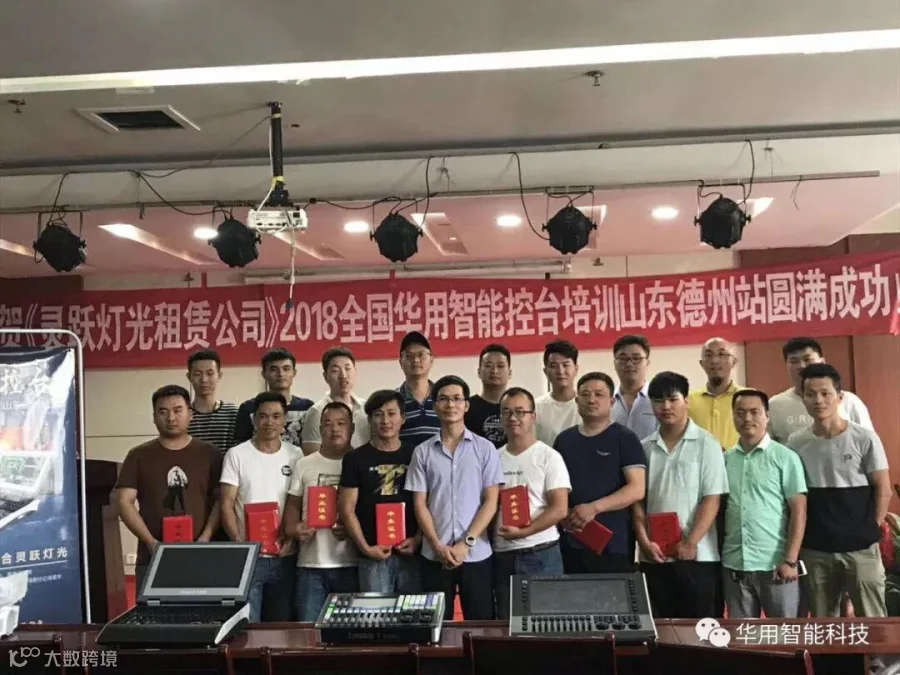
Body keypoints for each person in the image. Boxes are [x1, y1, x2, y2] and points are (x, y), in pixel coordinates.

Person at [788, 363, 891, 617]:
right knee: (824, 622)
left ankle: (878, 651)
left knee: (872, 619)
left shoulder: (864, 438)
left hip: (861, 548)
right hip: (816, 550)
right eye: (810, 394)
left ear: (840, 397)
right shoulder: (796, 442)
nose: (818, 400)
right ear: (803, 398)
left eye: (826, 393)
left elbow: (883, 488)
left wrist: (870, 527)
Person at [632, 372, 729, 619]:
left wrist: (691, 542)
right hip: (655, 557)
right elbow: (637, 502)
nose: (665, 407)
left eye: (672, 399)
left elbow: (712, 498)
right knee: (661, 630)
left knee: (701, 630)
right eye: (658, 401)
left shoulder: (707, 444)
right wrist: (643, 542)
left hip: (699, 556)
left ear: (686, 400)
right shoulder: (643, 447)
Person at [406, 375, 503, 620]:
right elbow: (420, 504)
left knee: (481, 624)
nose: (451, 404)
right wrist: (437, 545)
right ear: (435, 405)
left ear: (466, 405)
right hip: (434, 555)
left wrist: (466, 543)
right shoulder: (422, 452)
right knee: (436, 626)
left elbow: (490, 502)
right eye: (443, 399)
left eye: (457, 399)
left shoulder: (485, 449)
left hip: (476, 553)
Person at [115, 385, 222, 593]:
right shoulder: (138, 455)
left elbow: (222, 500)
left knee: (201, 612)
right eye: (163, 412)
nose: (171, 418)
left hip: (200, 555)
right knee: (153, 613)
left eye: (178, 410)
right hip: (152, 556)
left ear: (190, 414)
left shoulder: (210, 454)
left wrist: (205, 538)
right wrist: (151, 542)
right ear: (154, 417)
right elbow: (124, 502)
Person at [722, 389, 807, 618]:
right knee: (742, 635)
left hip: (776, 565)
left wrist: (790, 560)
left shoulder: (785, 457)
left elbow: (799, 510)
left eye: (754, 412)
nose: (747, 419)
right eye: (740, 413)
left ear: (767, 416)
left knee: (785, 634)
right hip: (735, 563)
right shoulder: (726, 460)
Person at [220, 392, 302, 623]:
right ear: (254, 419)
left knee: (281, 624)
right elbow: (226, 503)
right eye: (263, 416)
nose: (269, 422)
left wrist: (292, 539)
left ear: (284, 420)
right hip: (249, 557)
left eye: (276, 416)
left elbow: (300, 502)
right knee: (249, 624)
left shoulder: (296, 455)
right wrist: (239, 543)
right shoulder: (237, 454)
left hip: (285, 555)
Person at [554, 372, 645, 573]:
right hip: (570, 541)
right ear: (577, 401)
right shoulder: (564, 440)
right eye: (585, 394)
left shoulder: (625, 438)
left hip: (613, 544)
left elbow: (637, 489)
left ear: (611, 401)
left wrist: (594, 508)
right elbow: (555, 488)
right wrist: (563, 513)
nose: (591, 400)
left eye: (599, 394)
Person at [493, 387, 571, 619]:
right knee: (506, 624)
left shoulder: (549, 457)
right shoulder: (493, 457)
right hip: (502, 555)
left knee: (547, 624)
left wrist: (524, 532)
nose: (513, 418)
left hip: (541, 553)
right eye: (506, 412)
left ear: (533, 416)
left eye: (520, 412)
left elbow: (560, 508)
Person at [339, 390, 421, 594]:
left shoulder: (416, 455)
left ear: (403, 418)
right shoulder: (355, 459)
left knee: (412, 612)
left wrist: (418, 539)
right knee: (376, 612)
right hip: (372, 556)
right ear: (369, 419)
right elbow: (347, 508)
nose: (385, 421)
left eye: (391, 414)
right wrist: (366, 548)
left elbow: (426, 503)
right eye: (378, 414)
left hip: (411, 553)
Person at [283, 402, 358, 621]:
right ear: (320, 429)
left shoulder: (360, 462)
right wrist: (293, 529)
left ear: (352, 428)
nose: (334, 429)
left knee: (349, 633)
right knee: (308, 633)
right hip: (310, 565)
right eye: (327, 424)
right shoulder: (304, 464)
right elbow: (293, 504)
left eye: (341, 423)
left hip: (350, 564)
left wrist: (351, 529)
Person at [769, 337, 873, 442]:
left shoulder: (849, 401)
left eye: (807, 360)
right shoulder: (774, 405)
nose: (801, 366)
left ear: (822, 361)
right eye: (794, 361)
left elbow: (867, 440)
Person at [233, 348, 314, 447]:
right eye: (273, 369)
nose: (281, 374)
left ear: (294, 372)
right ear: (264, 374)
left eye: (286, 369)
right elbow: (242, 447)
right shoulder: (249, 408)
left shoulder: (307, 407)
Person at [302, 347, 370, 455]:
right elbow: (312, 457)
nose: (343, 375)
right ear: (325, 376)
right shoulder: (317, 412)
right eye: (335, 371)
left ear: (355, 371)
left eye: (348, 368)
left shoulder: (367, 408)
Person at [687, 338, 746, 450]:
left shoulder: (748, 397)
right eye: (708, 355)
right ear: (702, 363)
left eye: (721, 354)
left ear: (734, 362)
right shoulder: (688, 400)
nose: (714, 360)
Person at [185, 349, 239, 453]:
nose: (204, 380)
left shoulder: (232, 413)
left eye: (210, 373)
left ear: (219, 375)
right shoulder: (183, 415)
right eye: (197, 374)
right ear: (189, 377)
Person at [396, 331, 441, 448]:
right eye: (409, 356)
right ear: (401, 362)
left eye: (421, 354)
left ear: (431, 360)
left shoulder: (443, 398)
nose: (416, 360)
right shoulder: (393, 400)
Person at [534, 340, 581, 446]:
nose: (560, 371)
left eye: (566, 365)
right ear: (545, 371)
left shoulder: (586, 404)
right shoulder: (536, 407)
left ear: (576, 368)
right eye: (553, 366)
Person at [464, 343, 511, 448]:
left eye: (500, 366)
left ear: (510, 373)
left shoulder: (518, 408)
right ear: (479, 372)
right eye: (488, 365)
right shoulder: (465, 407)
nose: (494, 371)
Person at [610, 334, 657, 440]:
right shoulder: (605, 401)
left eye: (636, 358)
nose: (629, 364)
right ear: (615, 363)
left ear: (647, 363)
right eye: (623, 359)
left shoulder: (659, 399)